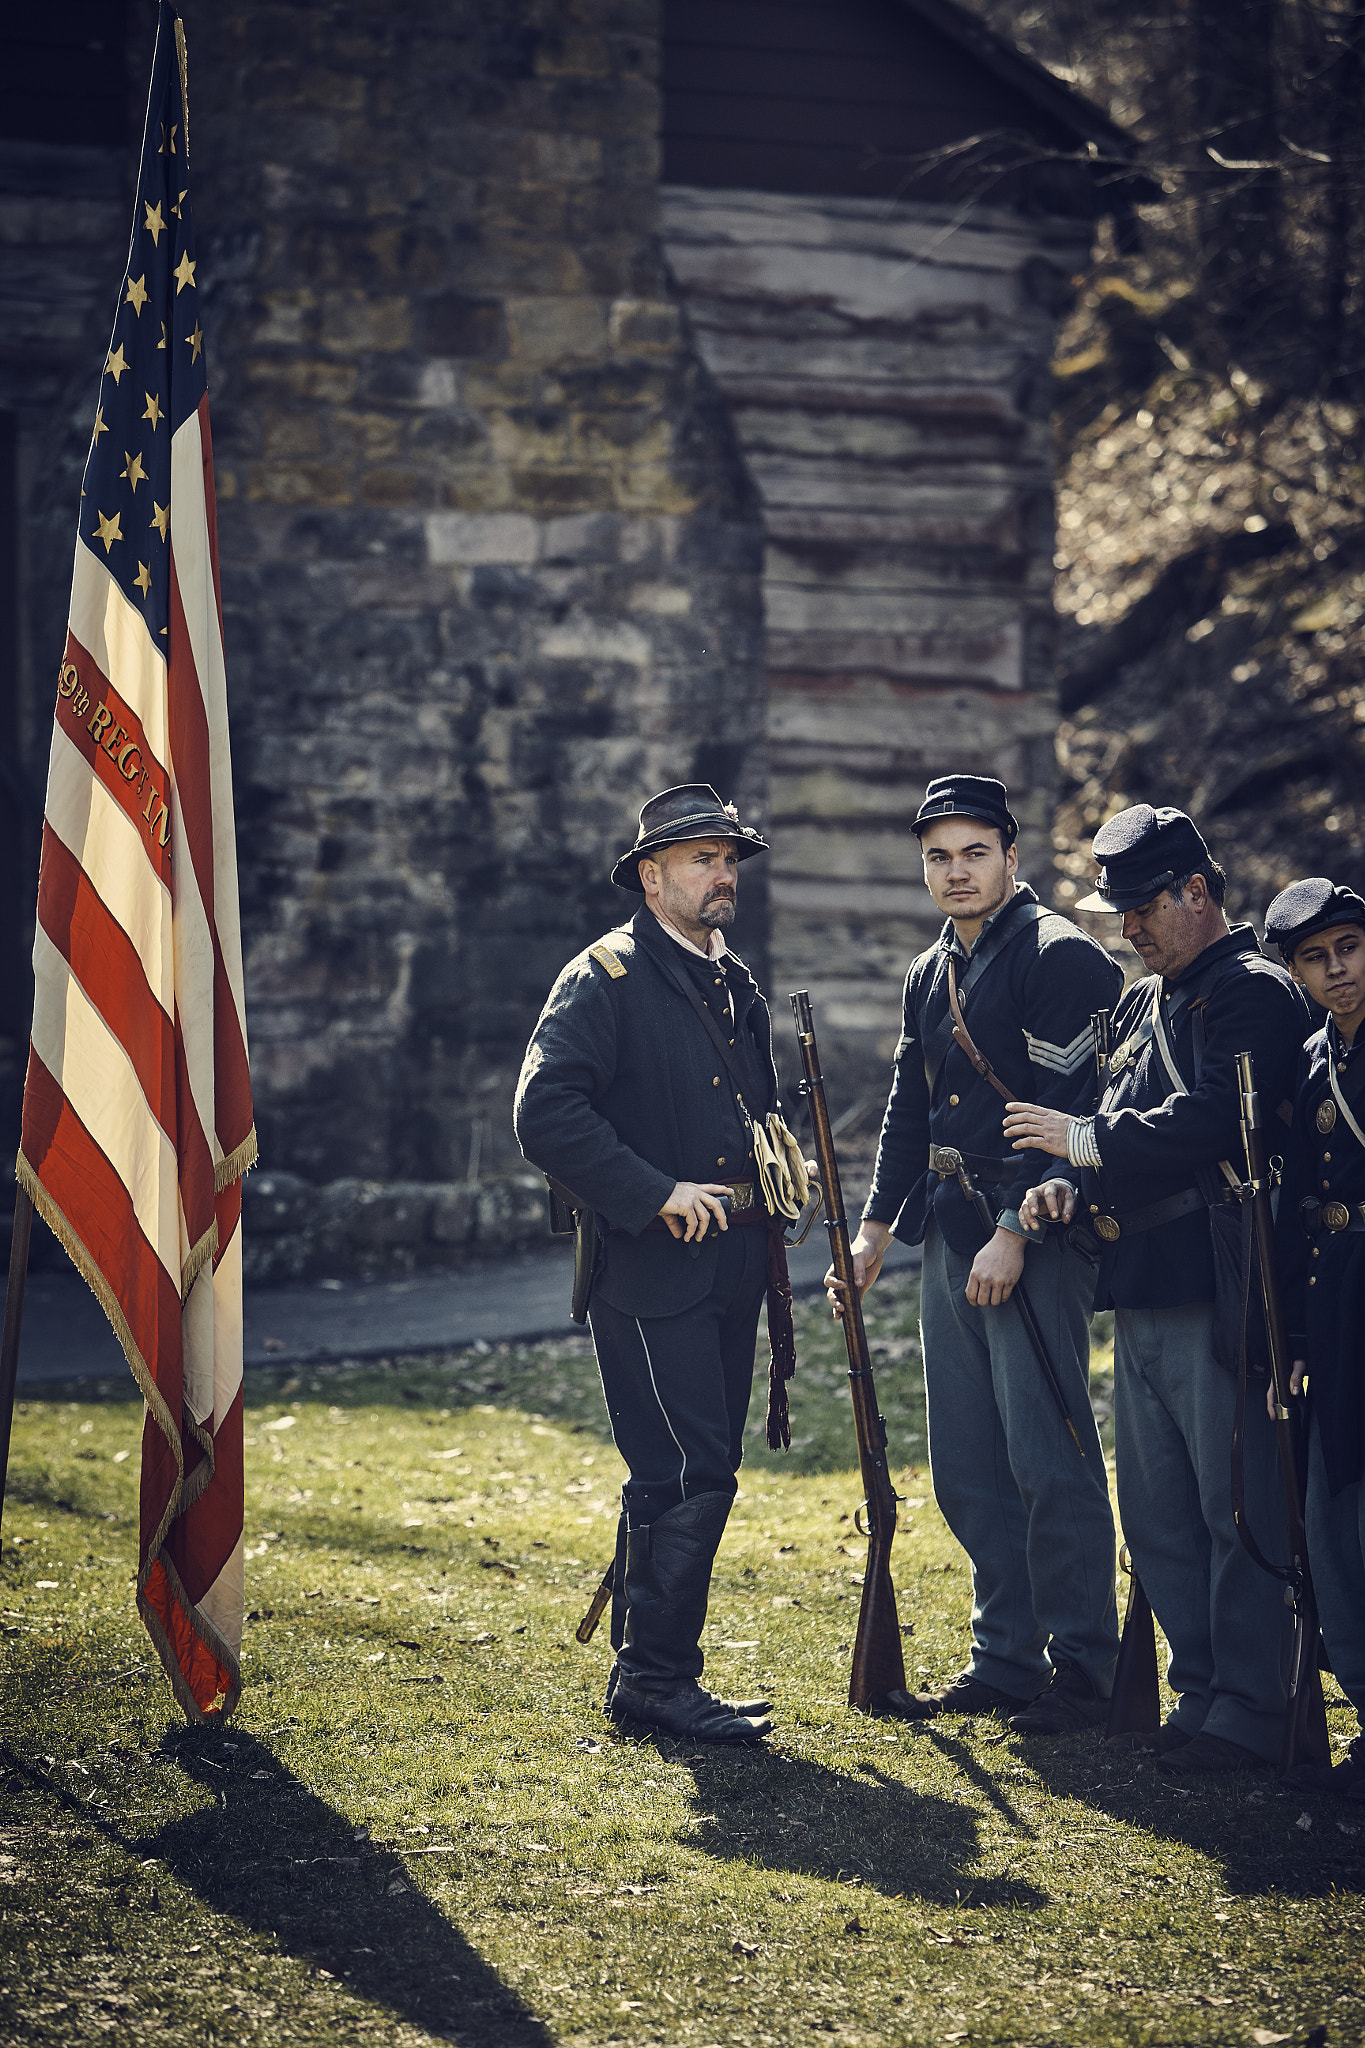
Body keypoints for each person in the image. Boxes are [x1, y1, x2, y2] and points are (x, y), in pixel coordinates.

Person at [1007, 804, 1306, 1774]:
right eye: (1121, 907)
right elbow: (1109, 1115)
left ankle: (1256, 1706)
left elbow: (1216, 1117)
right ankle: (1201, 1691)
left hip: (1216, 1281)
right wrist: (1069, 1176)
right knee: (1158, 1512)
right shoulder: (1144, 1003)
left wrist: (1080, 1142)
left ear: (1198, 892)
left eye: (1143, 905)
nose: (1128, 925)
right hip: (1136, 1276)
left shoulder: (1252, 992)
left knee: (1234, 1503)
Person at [836, 774, 1122, 1733]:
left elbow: (1071, 1115)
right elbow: (908, 1110)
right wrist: (876, 1227)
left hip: (1032, 1232)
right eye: (936, 856)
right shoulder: (931, 969)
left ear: (1010, 855)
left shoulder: (1059, 958)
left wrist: (1011, 1230)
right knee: (966, 1461)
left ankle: (1084, 1665)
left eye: (972, 852)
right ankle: (1004, 1655)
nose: (954, 872)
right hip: (950, 1240)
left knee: (1047, 1456)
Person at [515, 784, 800, 1745]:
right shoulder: (604, 977)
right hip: (648, 1270)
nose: (723, 877)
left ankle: (646, 1673)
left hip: (730, 1266)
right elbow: (545, 1114)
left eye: (728, 861)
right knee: (687, 1470)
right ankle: (657, 1680)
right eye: (699, 861)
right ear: (650, 875)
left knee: (685, 1467)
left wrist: (779, 1166)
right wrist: (653, 1193)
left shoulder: (734, 979)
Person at [1263, 877, 1365, 1801]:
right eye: (1314, 959)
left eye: (1349, 949)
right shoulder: (1307, 1058)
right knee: (1336, 1509)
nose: (1337, 972)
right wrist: (1292, 1337)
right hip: (1335, 1310)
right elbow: (1300, 1208)